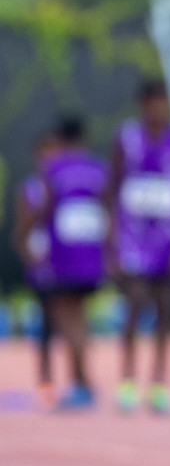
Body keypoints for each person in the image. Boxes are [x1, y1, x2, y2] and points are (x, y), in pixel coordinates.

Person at [108, 81, 170, 414]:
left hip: (168, 235)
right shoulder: (126, 139)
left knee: (166, 306)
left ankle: (159, 382)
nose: (158, 109)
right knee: (135, 301)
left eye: (164, 103)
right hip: (133, 233)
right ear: (142, 105)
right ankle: (127, 379)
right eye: (152, 103)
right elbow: (111, 187)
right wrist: (110, 239)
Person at [34, 117, 111, 411]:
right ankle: (82, 380)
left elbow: (45, 208)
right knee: (79, 315)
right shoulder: (99, 169)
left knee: (67, 318)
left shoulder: (53, 168)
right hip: (92, 255)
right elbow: (108, 208)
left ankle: (82, 383)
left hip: (64, 255)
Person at [11, 130, 60, 407]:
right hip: (42, 260)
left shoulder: (68, 182)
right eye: (45, 152)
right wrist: (29, 252)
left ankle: (80, 379)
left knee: (71, 319)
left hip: (67, 260)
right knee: (46, 321)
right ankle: (46, 378)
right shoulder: (29, 188)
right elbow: (22, 231)